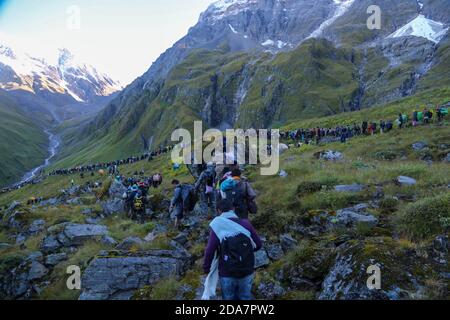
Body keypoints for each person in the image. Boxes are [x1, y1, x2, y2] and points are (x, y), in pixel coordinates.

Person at [202, 198, 262, 300]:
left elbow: (210, 250)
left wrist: (206, 268)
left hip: (227, 271)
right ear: (233, 209)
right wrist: (245, 253)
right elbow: (258, 245)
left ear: (218, 210)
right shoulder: (246, 224)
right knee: (245, 297)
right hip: (246, 269)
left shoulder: (217, 225)